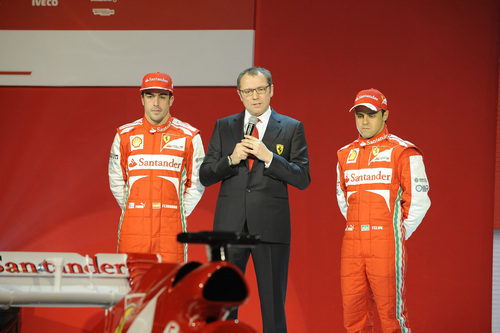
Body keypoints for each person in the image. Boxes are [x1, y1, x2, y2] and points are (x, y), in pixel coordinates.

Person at [199, 67, 310, 333]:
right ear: (239, 95)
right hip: (229, 230)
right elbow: (205, 175)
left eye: (260, 89)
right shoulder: (224, 126)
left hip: (270, 230)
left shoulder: (292, 127)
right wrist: (231, 159)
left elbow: (302, 178)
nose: (255, 97)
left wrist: (269, 156)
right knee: (224, 305)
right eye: (248, 91)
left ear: (271, 90)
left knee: (273, 308)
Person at [336, 88, 431, 332]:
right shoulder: (345, 154)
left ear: (385, 114)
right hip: (352, 243)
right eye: (359, 115)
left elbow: (420, 201)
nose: (364, 121)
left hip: (386, 242)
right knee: (353, 318)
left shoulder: (403, 151)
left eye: (371, 114)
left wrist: (396, 232)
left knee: (392, 318)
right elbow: (342, 197)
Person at [108, 72, 205, 263]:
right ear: (142, 99)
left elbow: (197, 182)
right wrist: (135, 208)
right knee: (132, 287)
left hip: (171, 230)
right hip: (133, 228)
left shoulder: (189, 136)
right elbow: (116, 180)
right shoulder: (125, 135)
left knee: (170, 287)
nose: (156, 103)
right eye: (150, 96)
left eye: (162, 96)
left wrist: (177, 211)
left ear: (171, 99)